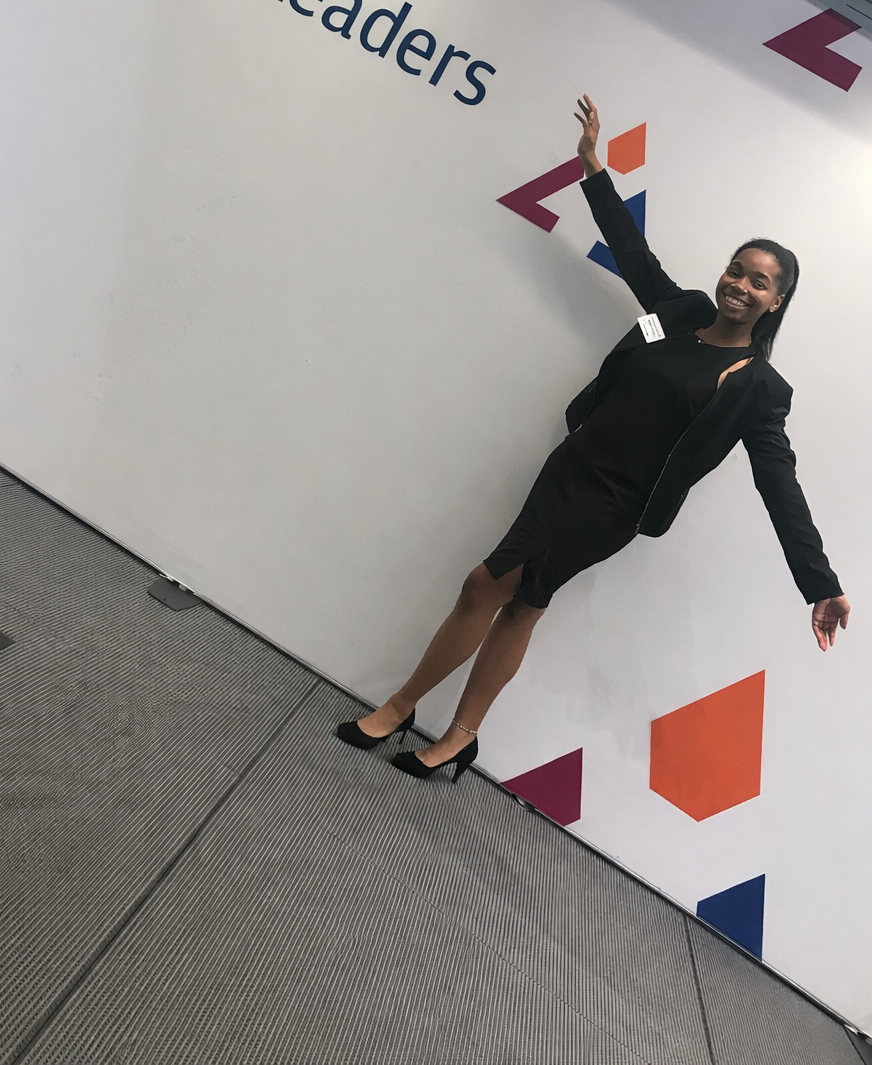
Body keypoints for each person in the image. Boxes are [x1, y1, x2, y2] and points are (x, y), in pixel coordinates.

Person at [336, 95, 850, 783]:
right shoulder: (684, 311)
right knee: (519, 603)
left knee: (484, 586)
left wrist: (819, 583)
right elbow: (635, 255)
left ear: (776, 301)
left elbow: (778, 483)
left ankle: (402, 706)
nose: (740, 285)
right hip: (571, 467)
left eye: (759, 282)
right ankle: (458, 735)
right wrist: (593, 170)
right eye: (737, 269)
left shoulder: (758, 387)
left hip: (615, 505)